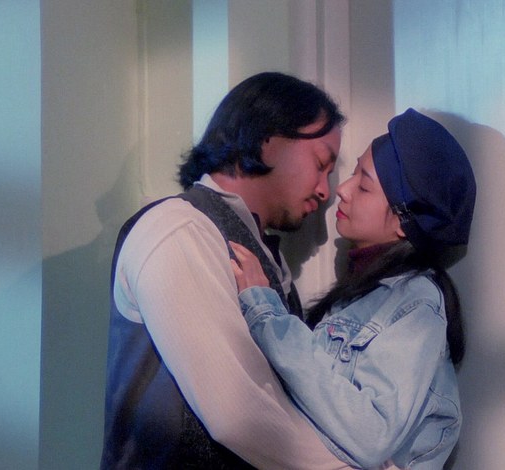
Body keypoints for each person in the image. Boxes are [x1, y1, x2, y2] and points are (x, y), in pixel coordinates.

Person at [101, 72, 352, 469]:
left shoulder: (265, 257)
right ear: (268, 140)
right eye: (321, 164)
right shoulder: (177, 228)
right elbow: (236, 412)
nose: (325, 190)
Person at [230, 108, 476, 469]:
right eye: (353, 174)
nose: (341, 191)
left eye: (363, 185)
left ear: (404, 221)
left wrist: (266, 315)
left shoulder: (415, 303)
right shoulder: (362, 296)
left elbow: (370, 436)